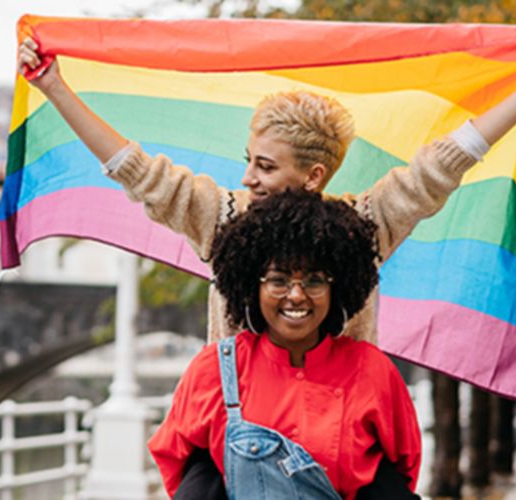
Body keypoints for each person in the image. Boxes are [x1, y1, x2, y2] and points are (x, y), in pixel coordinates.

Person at [15, 35, 516, 344]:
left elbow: (446, 161)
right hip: (241, 442)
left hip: (338, 446)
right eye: (249, 162)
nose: (248, 178)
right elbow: (133, 167)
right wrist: (54, 87)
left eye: (265, 167)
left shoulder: (366, 224)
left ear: (313, 175)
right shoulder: (222, 218)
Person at [152, 191, 418, 499]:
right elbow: (178, 465)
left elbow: (403, 467)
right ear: (253, 286)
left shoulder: (372, 370)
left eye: (314, 280)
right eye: (278, 280)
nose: (296, 295)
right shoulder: (214, 370)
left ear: (337, 288)